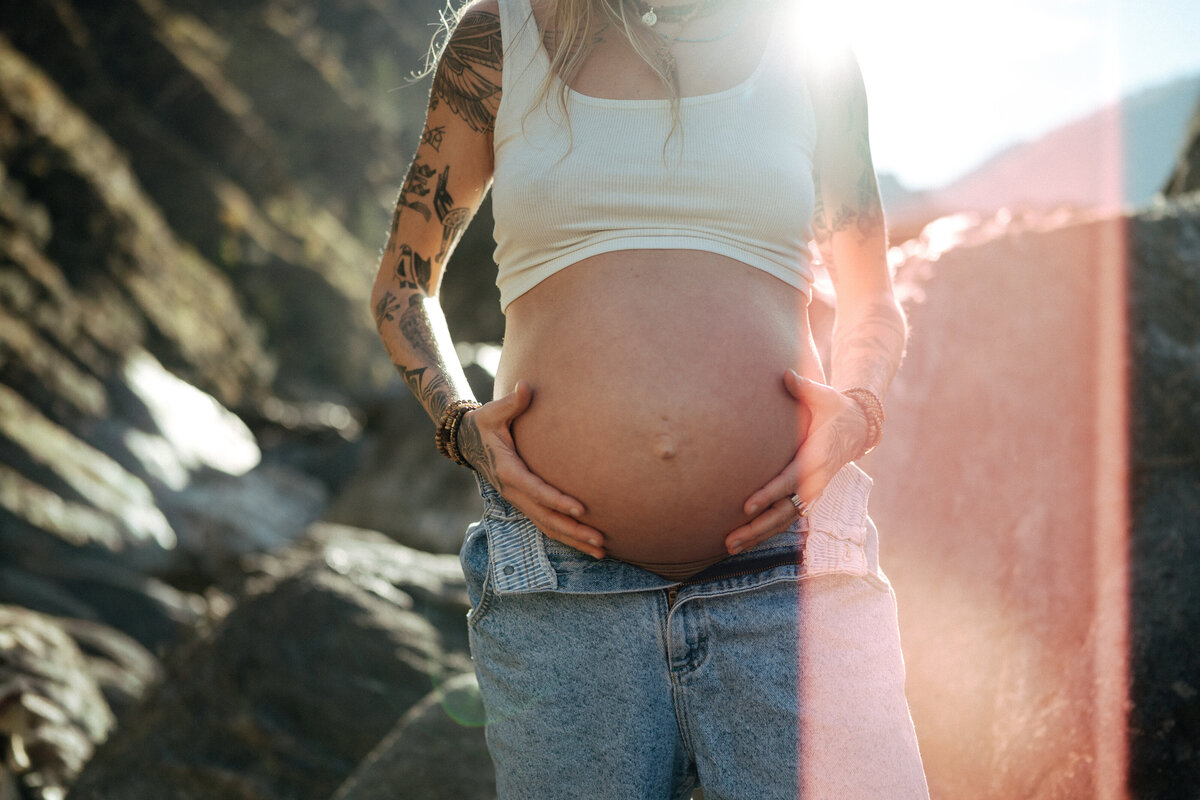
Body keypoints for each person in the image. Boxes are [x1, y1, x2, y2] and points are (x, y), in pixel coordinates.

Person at [371, 0, 929, 796]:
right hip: (563, 594)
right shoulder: (501, 38)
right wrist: (461, 426)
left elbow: (872, 296)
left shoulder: (811, 50)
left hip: (795, 571)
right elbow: (404, 282)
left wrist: (858, 411)